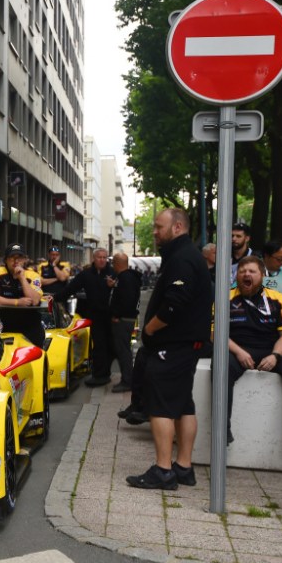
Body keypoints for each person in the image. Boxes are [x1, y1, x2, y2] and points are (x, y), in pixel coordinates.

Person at [126, 208, 211, 490]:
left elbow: (175, 303)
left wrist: (150, 328)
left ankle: (163, 470)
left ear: (177, 227)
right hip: (185, 344)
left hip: (172, 345)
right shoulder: (185, 255)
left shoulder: (182, 258)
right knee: (184, 404)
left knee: (160, 405)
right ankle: (183, 467)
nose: (154, 231)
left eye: (158, 226)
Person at [223, 256, 282, 453]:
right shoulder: (224, 298)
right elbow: (216, 333)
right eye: (242, 271)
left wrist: (275, 356)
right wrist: (239, 352)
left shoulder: (278, 298)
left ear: (262, 275)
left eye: (252, 271)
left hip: (271, 348)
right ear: (236, 276)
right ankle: (223, 429)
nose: (246, 274)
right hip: (237, 348)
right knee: (221, 367)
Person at [62, 248, 115, 387]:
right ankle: (99, 375)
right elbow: (71, 288)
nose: (102, 260)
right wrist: (56, 298)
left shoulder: (113, 273)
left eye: (104, 257)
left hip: (111, 315)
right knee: (99, 345)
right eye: (99, 257)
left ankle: (105, 373)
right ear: (94, 258)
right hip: (96, 316)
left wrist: (113, 286)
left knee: (111, 345)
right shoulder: (86, 274)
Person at [0, 245, 44, 347]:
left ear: (24, 260)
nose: (16, 261)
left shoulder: (33, 275)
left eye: (19, 258)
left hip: (32, 330)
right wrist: (17, 302)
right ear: (6, 260)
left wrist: (22, 278)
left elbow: (35, 300)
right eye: (12, 257)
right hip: (9, 328)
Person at [109, 252, 140, 393]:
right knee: (123, 349)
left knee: (123, 351)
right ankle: (127, 379)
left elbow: (127, 300)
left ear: (116, 263)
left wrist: (117, 315)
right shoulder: (127, 277)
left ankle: (127, 381)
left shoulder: (125, 279)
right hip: (127, 318)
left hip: (123, 319)